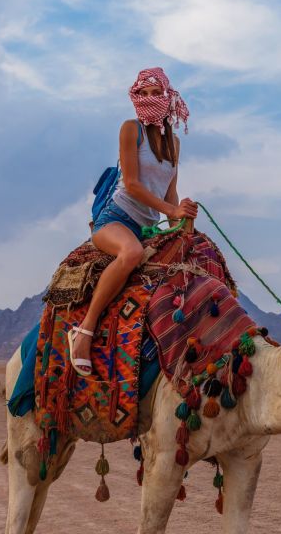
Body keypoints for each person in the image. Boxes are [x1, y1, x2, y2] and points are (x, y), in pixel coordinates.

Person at [68, 68, 198, 377]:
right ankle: (83, 332)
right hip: (115, 219)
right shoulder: (131, 130)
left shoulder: (174, 144)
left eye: (156, 93)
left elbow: (169, 192)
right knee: (131, 254)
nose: (150, 99)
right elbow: (134, 185)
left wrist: (180, 218)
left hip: (147, 228)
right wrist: (172, 209)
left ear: (168, 98)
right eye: (144, 94)